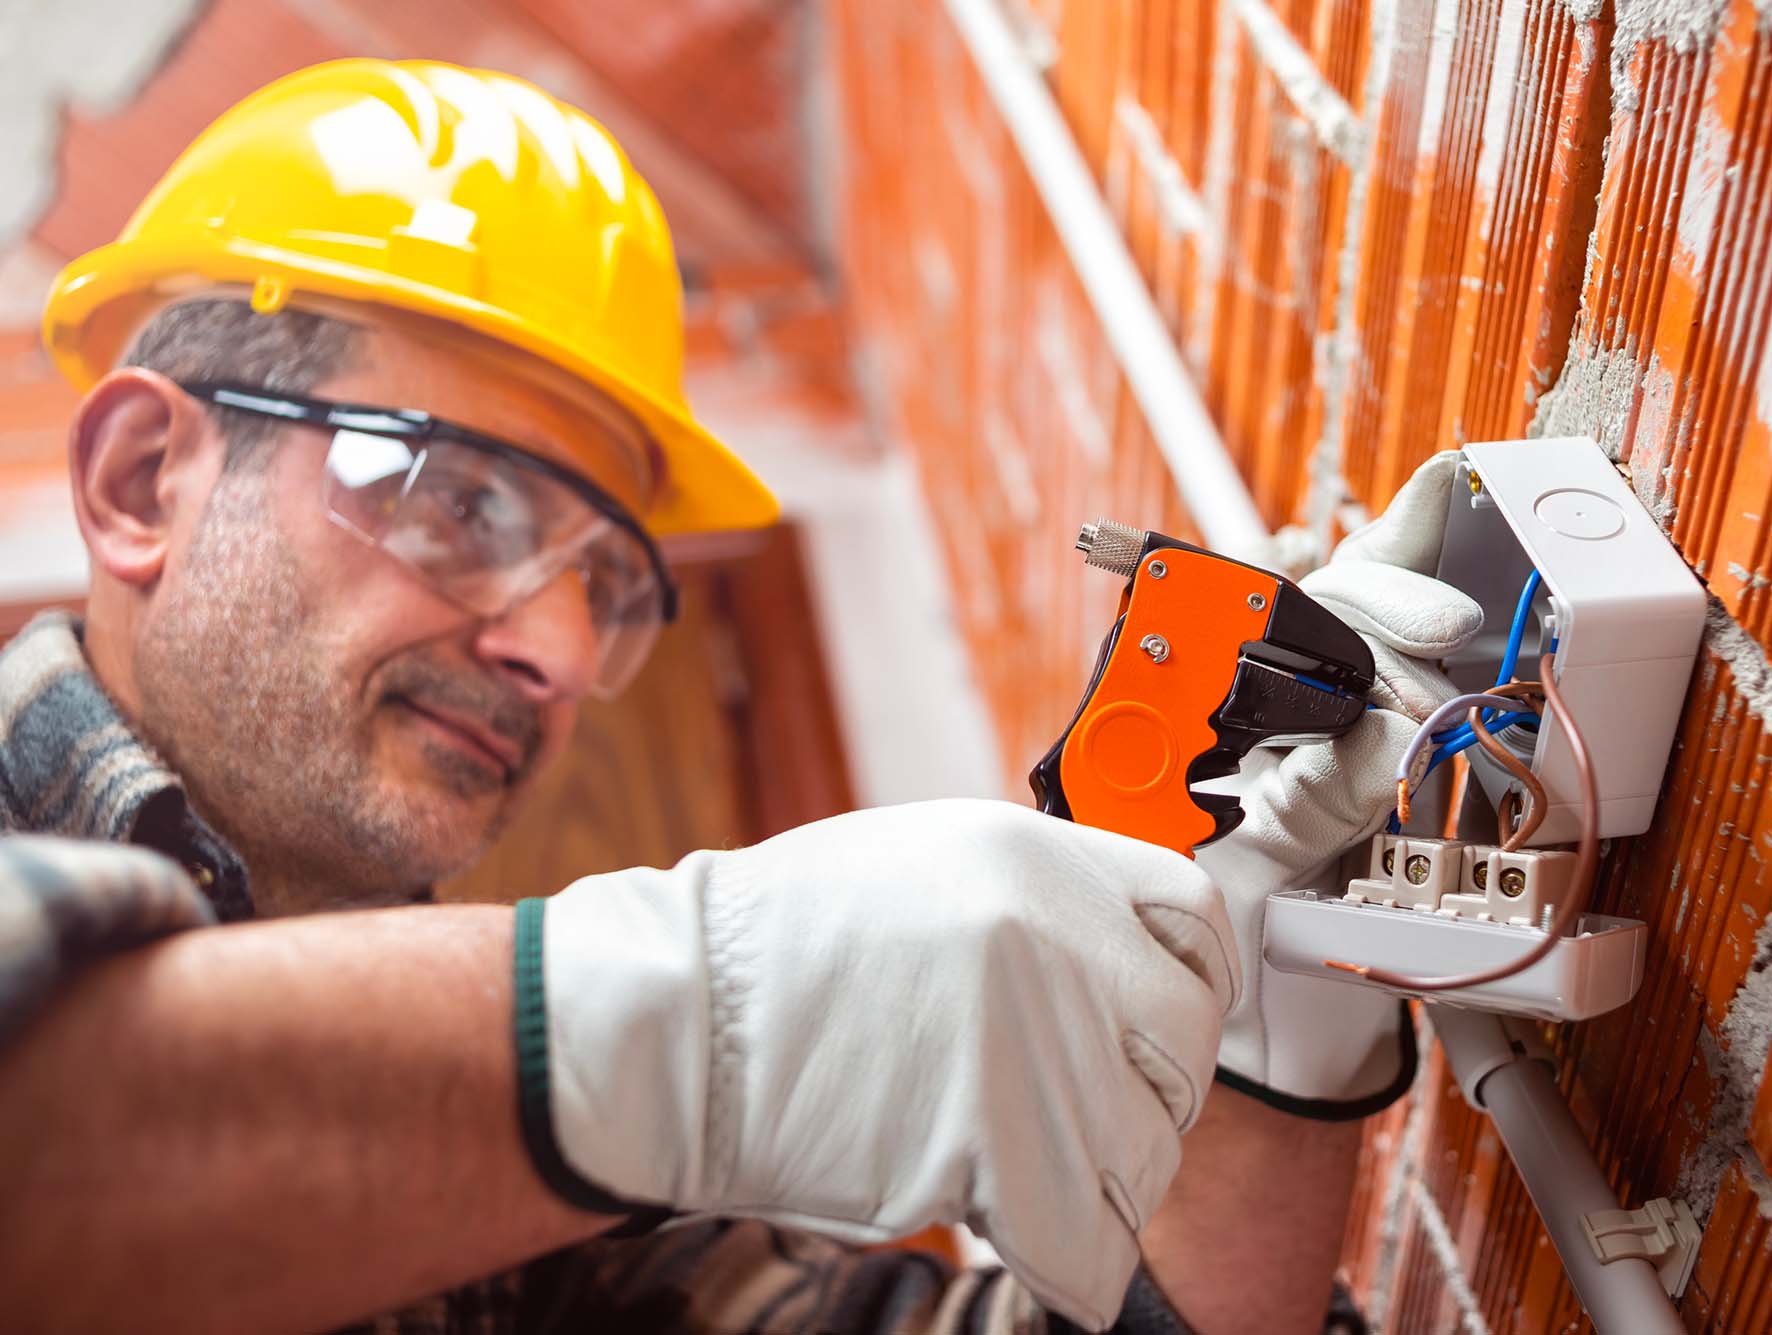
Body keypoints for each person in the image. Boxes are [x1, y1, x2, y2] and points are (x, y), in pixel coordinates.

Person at [0, 60, 1480, 1334]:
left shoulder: (535, 1207)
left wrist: (1268, 1016)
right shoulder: (561, 1107)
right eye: (459, 500)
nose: (564, 654)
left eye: (613, 582)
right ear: (144, 482)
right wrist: (683, 1024)